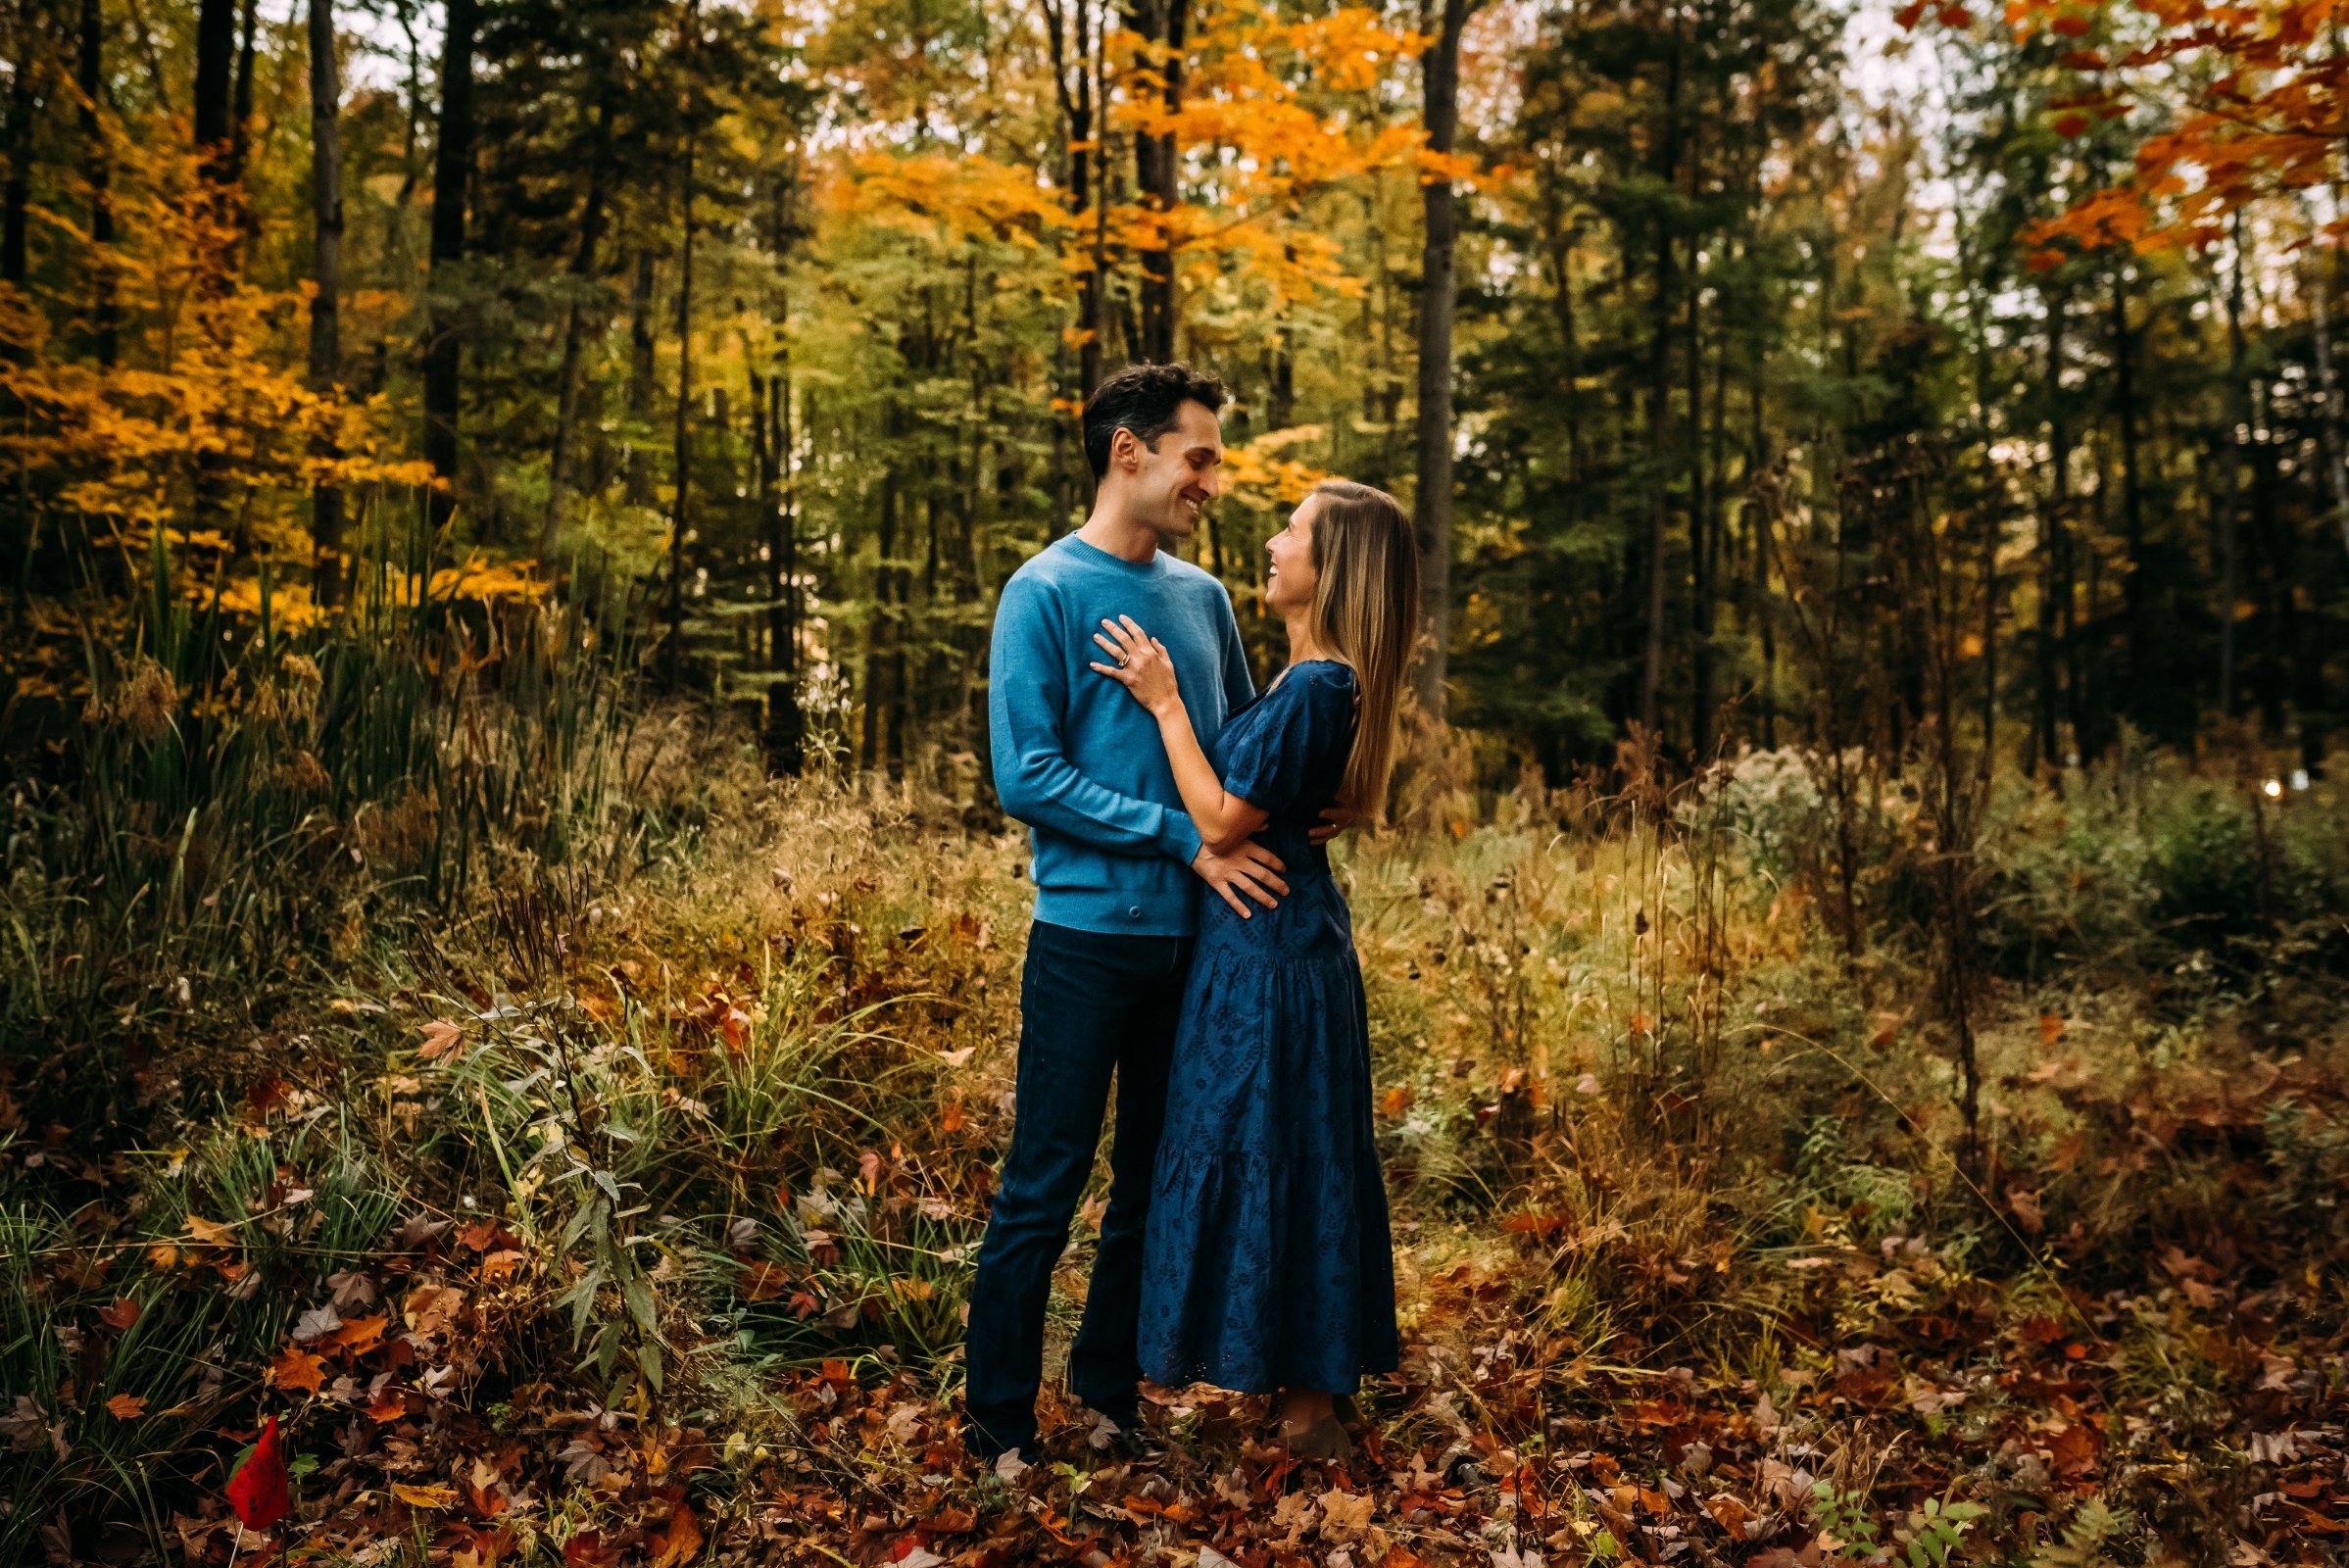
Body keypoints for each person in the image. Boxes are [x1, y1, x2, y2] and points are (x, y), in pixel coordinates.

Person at [964, 363, 1323, 1465]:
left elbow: (1237, 751)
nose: (1210, 481)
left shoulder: (1204, 600)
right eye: (1198, 456)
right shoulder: (1045, 593)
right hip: (1084, 942)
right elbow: (1026, 774)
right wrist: (1182, 839)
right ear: (1131, 450)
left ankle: (1108, 1394)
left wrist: (1323, 780)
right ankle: (998, 1423)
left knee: (1148, 1184)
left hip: (1203, 950)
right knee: (1045, 1183)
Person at [1089, 478, 1415, 1460]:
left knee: (1278, 1149)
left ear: (1336, 567)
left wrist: (1167, 704)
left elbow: (1224, 818)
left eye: (1296, 533)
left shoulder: (1321, 683)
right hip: (1270, 944)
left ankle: (1311, 1416)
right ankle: (1301, 1397)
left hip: (1273, 957)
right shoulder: (1312, 679)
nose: (1275, 543)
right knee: (1284, 1148)